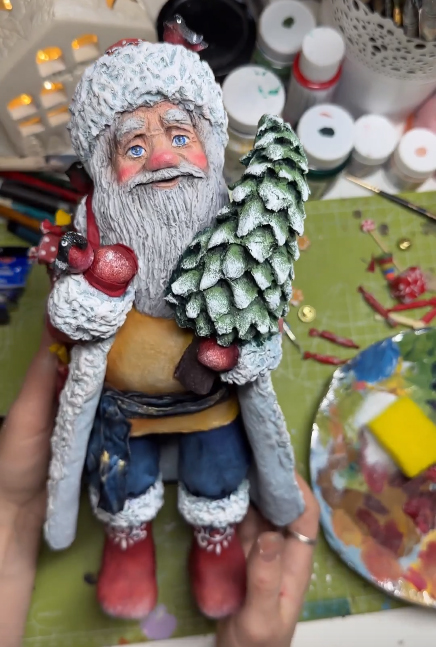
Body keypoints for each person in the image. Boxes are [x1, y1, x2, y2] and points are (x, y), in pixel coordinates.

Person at [0, 330, 319, 647]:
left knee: (218, 462)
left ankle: (213, 532)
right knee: (119, 469)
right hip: (122, 402)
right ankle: (129, 533)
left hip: (210, 403)